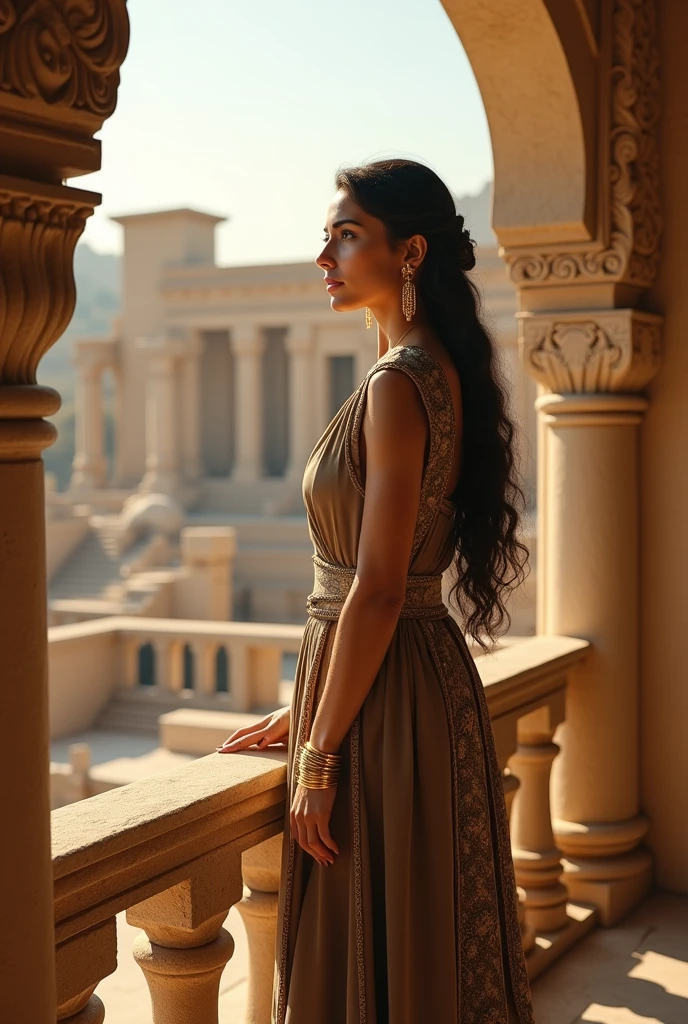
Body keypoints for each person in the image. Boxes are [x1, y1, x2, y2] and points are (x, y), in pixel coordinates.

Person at [218, 158, 534, 1024]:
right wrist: (305, 709)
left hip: (385, 699)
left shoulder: (399, 385)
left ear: (410, 252)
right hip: (410, 684)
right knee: (420, 939)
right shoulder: (436, 371)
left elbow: (380, 589)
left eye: (345, 234)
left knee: (366, 940)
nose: (324, 255)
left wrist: (316, 757)